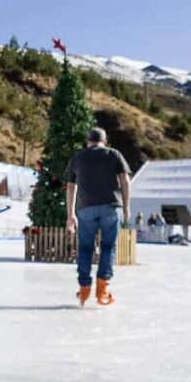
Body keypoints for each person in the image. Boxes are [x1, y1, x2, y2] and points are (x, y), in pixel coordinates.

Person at [66, 127, 131, 307]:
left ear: (88, 141)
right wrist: (126, 207)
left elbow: (71, 187)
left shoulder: (77, 158)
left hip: (86, 208)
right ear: (105, 141)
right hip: (111, 207)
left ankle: (84, 288)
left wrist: (70, 214)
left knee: (85, 248)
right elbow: (125, 180)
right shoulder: (114, 154)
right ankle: (102, 290)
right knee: (108, 247)